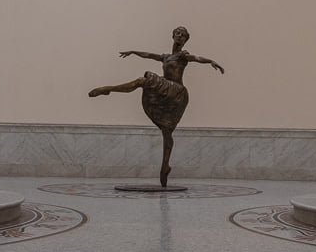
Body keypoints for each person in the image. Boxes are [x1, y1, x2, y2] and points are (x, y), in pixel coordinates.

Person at [89, 26, 224, 187]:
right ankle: (165, 166)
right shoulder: (165, 57)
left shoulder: (183, 55)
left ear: (186, 39)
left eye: (183, 35)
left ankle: (108, 89)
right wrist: (133, 51)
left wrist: (210, 61)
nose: (180, 36)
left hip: (176, 91)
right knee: (166, 130)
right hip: (165, 90)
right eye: (178, 34)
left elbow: (197, 58)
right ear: (173, 36)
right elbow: (148, 55)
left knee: (143, 83)